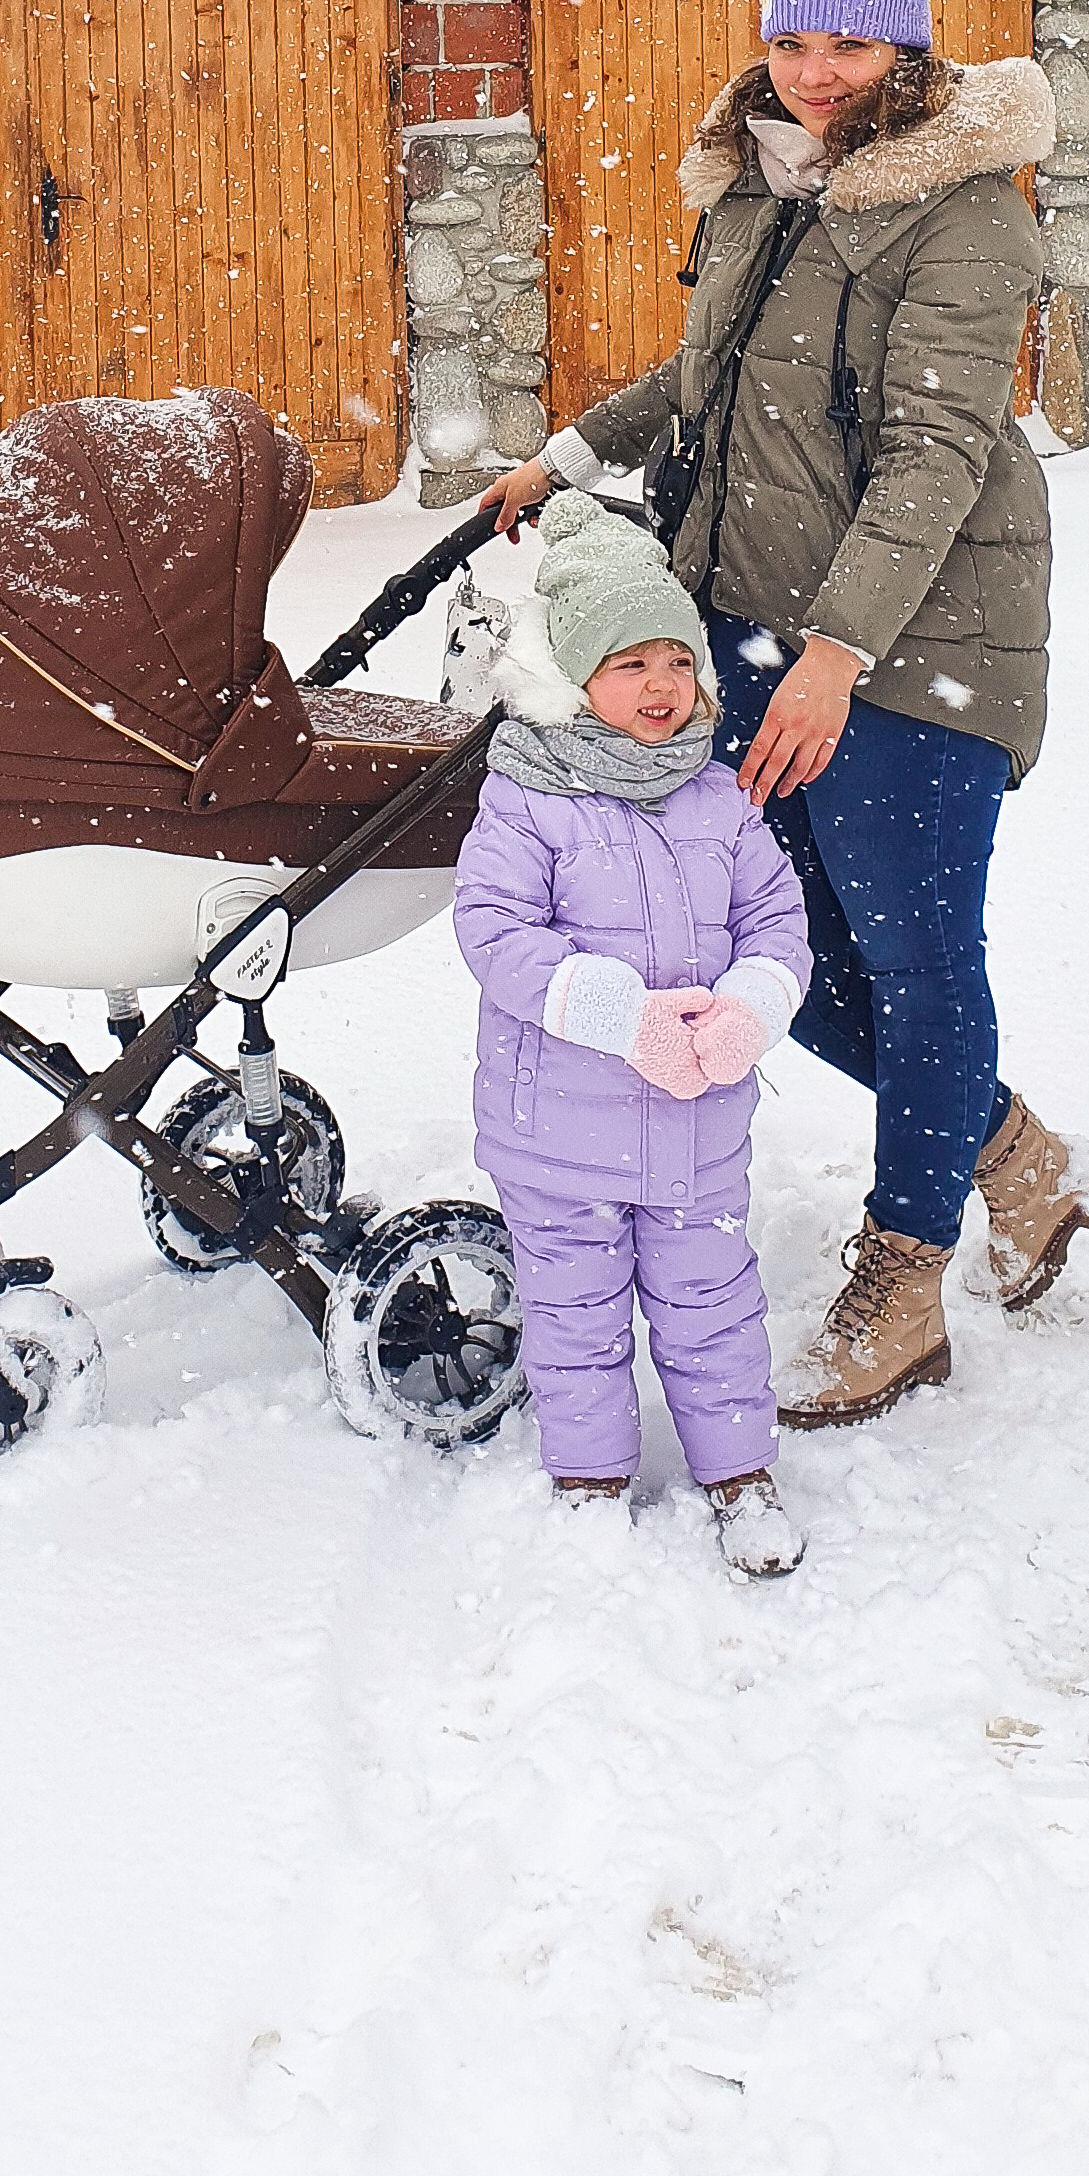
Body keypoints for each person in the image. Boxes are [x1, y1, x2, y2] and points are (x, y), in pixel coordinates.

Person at [480, 0, 1089, 1426]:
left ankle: (904, 1279)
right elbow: (712, 381)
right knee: (781, 956)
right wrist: (568, 453)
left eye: (846, 46)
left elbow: (934, 455)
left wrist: (839, 654)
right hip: (758, 630)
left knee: (915, 961)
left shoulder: (965, 216)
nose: (816, 72)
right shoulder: (769, 181)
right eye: (793, 43)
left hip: (921, 641)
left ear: (905, 53)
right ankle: (1014, 1160)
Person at [452, 495, 811, 1574]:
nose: (660, 688)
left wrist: (751, 1005)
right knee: (574, 1317)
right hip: (559, 1134)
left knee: (713, 1309)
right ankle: (590, 1481)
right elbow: (493, 931)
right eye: (627, 665)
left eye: (675, 663)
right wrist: (617, 1014)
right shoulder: (527, 801)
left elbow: (777, 922)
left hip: (697, 1128)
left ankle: (740, 1478)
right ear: (572, 682)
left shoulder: (721, 800)